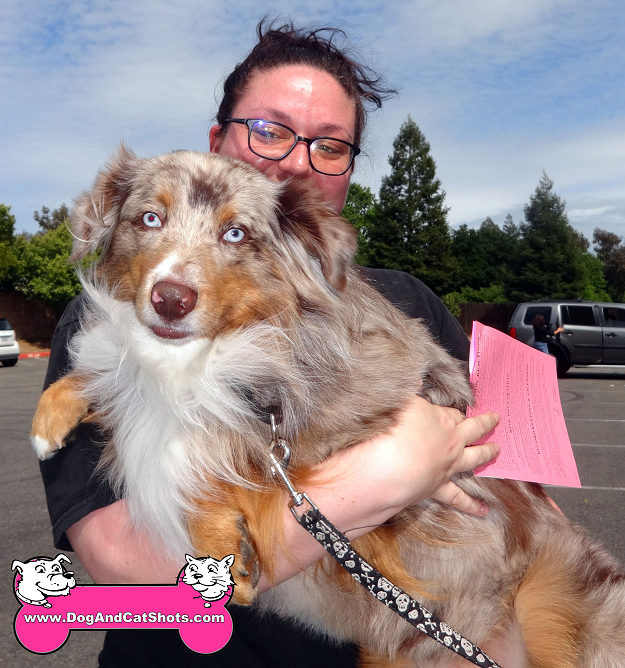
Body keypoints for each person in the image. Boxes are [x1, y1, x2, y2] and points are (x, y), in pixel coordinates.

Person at [38, 20, 517, 668]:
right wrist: (379, 477)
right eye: (270, 130)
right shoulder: (123, 319)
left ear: (347, 171)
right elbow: (123, 569)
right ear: (217, 141)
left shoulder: (407, 301)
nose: (296, 160)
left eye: (329, 146)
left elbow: (500, 488)